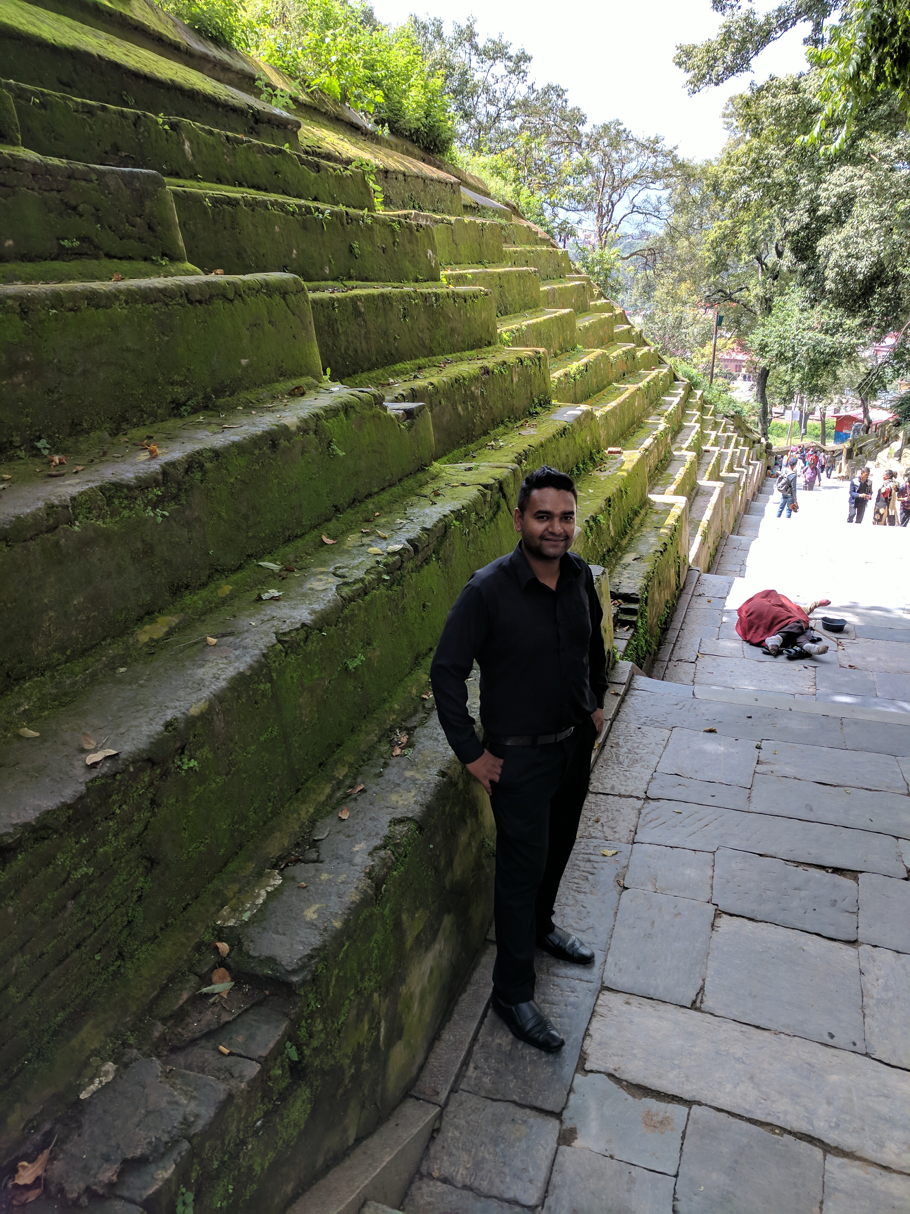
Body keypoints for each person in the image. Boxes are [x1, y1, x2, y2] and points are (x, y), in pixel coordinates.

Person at [430, 466, 607, 1053]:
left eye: (566, 517)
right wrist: (472, 754)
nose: (556, 528)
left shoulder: (579, 576)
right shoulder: (487, 591)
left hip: (573, 746)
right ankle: (511, 991)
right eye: (543, 517)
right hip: (519, 762)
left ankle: (542, 926)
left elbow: (593, 643)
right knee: (518, 872)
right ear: (519, 520)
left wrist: (595, 702)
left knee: (559, 848)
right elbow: (446, 673)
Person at [736, 589, 829, 656]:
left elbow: (804, 610)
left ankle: (807, 646)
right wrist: (816, 603)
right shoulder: (783, 601)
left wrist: (817, 603)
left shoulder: (785, 606)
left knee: (793, 630)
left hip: (750, 619)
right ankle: (778, 639)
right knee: (798, 624)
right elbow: (804, 610)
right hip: (760, 610)